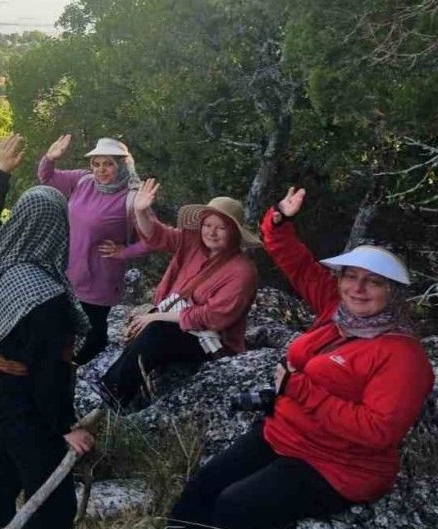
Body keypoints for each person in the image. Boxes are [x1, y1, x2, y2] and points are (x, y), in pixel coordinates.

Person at [167, 187, 435, 529]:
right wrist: (279, 220)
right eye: (350, 276)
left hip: (339, 466)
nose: (357, 288)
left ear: (393, 292)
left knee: (236, 506)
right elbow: (297, 263)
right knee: (202, 488)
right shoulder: (337, 310)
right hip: (284, 433)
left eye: (373, 282)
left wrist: (300, 389)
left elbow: (378, 430)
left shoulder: (403, 357)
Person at [0, 134, 94, 529]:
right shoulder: (44, 297)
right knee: (53, 500)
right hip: (21, 399)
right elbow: (48, 374)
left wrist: (0, 172)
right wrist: (65, 428)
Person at [98, 180, 258, 411]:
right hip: (177, 322)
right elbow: (158, 236)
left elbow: (212, 317)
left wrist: (155, 317)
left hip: (210, 341)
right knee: (145, 331)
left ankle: (110, 397)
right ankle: (119, 392)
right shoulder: (192, 242)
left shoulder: (242, 271)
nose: (211, 233)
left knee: (156, 333)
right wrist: (141, 211)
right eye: (207, 225)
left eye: (221, 228)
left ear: (234, 232)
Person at [37, 134, 148, 365]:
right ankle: (64, 366)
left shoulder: (132, 198)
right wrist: (50, 158)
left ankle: (81, 371)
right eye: (96, 164)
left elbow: (153, 240)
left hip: (101, 278)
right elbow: (47, 178)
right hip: (70, 270)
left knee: (93, 334)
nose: (100, 170)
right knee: (65, 327)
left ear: (122, 166)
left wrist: (124, 251)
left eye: (108, 164)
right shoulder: (84, 181)